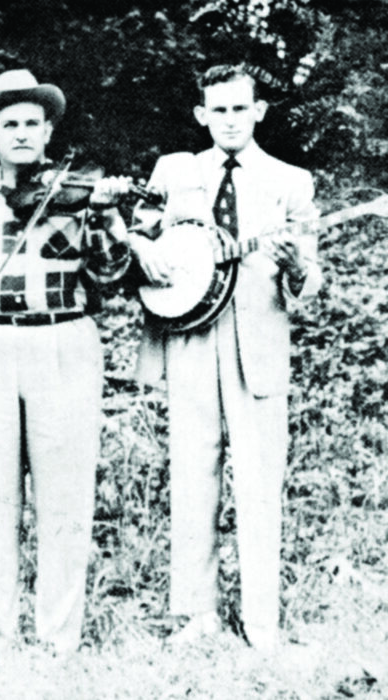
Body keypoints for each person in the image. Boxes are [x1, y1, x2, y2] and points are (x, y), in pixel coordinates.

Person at [0, 69, 132, 654]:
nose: (20, 134)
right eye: (8, 124)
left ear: (47, 131)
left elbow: (113, 275)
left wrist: (110, 217)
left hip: (64, 345)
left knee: (64, 499)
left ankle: (58, 638)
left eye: (31, 124)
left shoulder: (80, 197)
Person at [130, 64, 321, 652]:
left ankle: (260, 621)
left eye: (241, 108)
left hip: (257, 346)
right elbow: (137, 234)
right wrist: (145, 252)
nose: (230, 120)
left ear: (259, 111)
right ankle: (196, 614)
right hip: (189, 339)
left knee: (260, 482)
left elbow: (309, 283)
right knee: (192, 477)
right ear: (201, 115)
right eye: (219, 110)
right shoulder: (174, 172)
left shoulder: (291, 183)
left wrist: (292, 264)